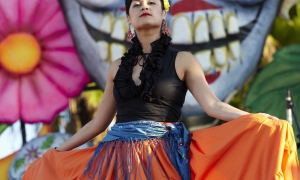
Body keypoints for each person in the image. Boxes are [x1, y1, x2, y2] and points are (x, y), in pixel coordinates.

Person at [23, 0, 299, 179]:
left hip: (163, 155)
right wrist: (58, 151)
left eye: (152, 2)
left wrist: (257, 119)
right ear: (129, 17)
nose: (144, 6)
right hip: (113, 160)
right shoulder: (116, 66)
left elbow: (213, 106)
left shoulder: (183, 60)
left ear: (164, 12)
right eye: (137, 4)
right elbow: (98, 122)